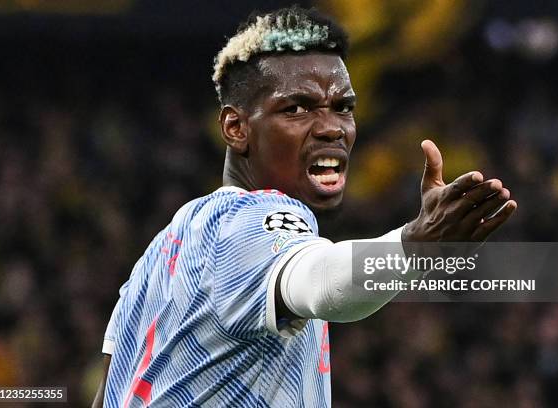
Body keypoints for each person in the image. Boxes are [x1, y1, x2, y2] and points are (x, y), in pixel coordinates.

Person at [92, 6, 517, 407]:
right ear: (236, 128)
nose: (331, 127)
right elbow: (323, 282)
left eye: (343, 107)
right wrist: (409, 246)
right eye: (296, 108)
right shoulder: (252, 221)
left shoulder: (162, 251)